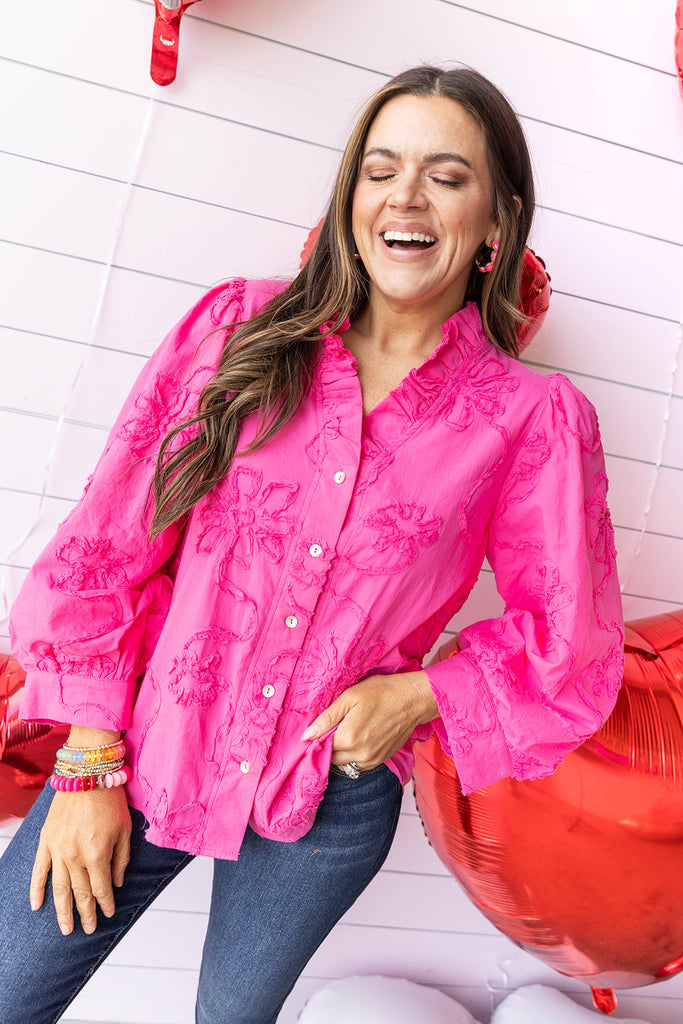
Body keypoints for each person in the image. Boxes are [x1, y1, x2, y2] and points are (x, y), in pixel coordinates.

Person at [0, 65, 624, 1023]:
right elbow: (107, 543)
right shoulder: (235, 329)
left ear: (496, 221)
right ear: (350, 198)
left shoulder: (531, 417)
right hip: (142, 747)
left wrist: (420, 694)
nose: (405, 197)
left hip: (327, 793)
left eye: (446, 176)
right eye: (381, 170)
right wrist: (88, 762)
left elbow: (567, 643)